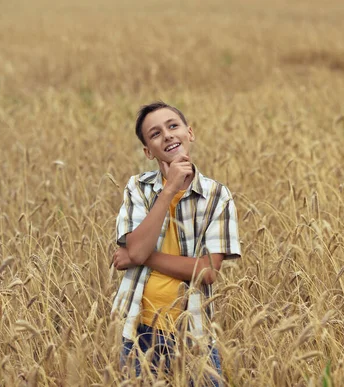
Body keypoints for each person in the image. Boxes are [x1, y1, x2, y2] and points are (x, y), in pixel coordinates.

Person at [111, 101, 241, 385]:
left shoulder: (217, 196)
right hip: (138, 329)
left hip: (192, 330)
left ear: (189, 132)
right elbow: (137, 248)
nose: (167, 135)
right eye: (155, 134)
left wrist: (140, 255)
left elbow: (207, 272)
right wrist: (169, 189)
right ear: (148, 151)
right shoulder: (139, 189)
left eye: (173, 126)